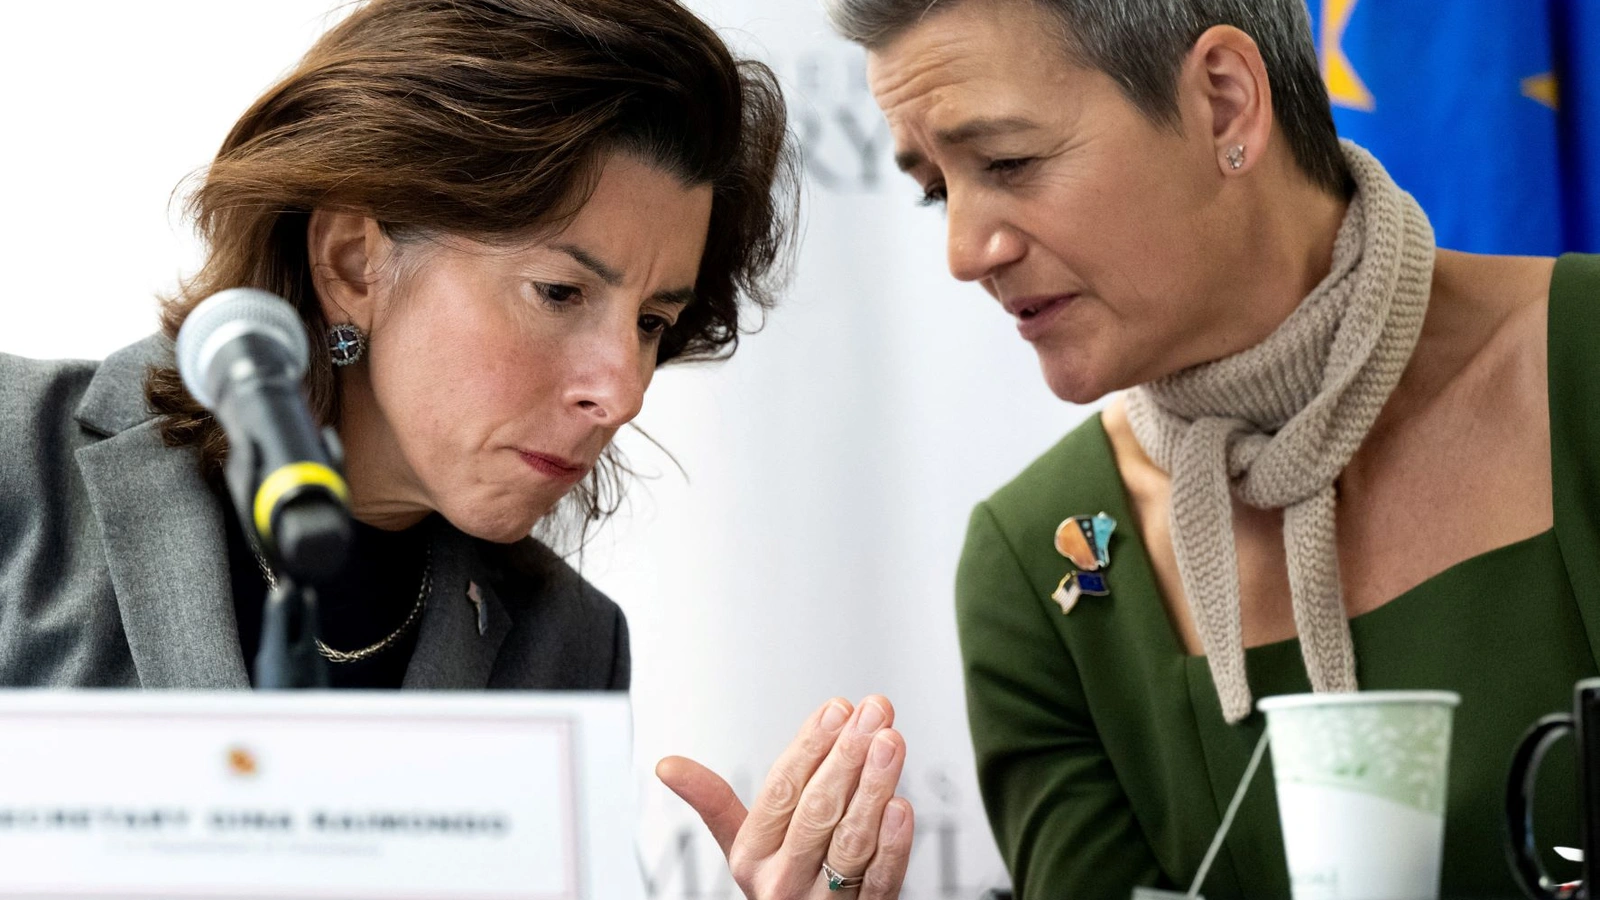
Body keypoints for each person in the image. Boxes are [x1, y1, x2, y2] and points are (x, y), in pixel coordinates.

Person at [0, 0, 912, 895]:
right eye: (559, 292)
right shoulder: (16, 461)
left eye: (651, 321)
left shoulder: (568, 647)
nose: (623, 389)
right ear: (354, 262)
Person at [825, 0, 1600, 896]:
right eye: (936, 189)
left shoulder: (1582, 362)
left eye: (1009, 161)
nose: (964, 250)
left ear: (1226, 103)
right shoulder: (1038, 559)